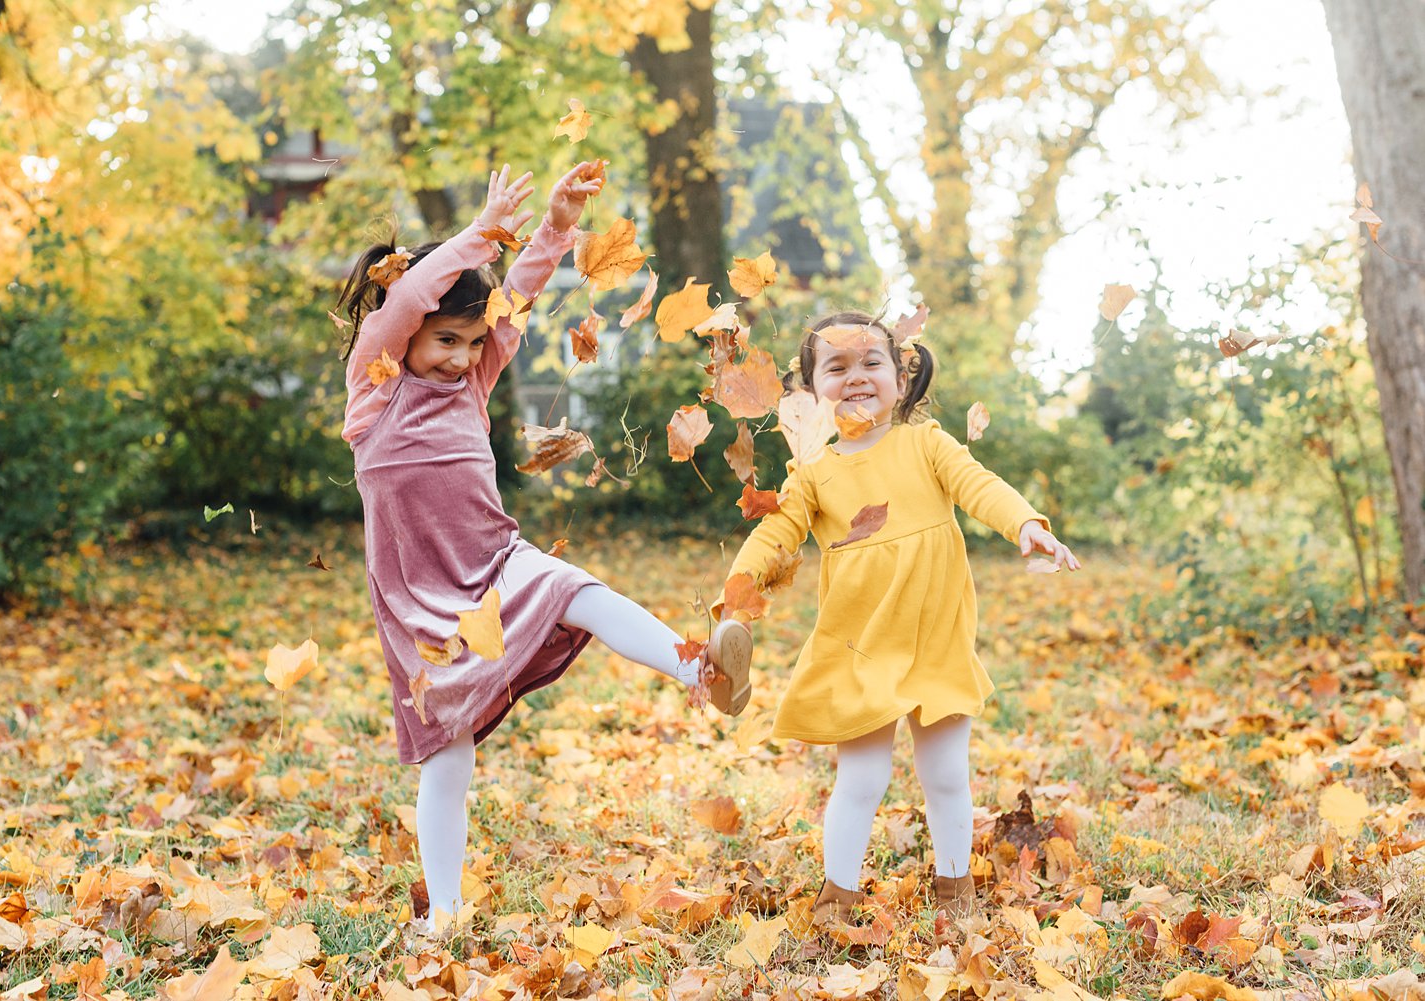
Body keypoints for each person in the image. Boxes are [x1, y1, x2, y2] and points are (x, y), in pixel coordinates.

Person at [335, 162, 752, 931]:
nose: (461, 356)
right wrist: (480, 233)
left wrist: (557, 227)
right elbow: (404, 304)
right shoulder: (378, 381)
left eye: (470, 342)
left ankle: (701, 667)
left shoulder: (471, 383)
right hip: (423, 601)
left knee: (577, 590)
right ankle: (446, 912)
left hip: (496, 562)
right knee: (446, 755)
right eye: (445, 339)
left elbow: (516, 299)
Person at [717, 311, 1079, 925]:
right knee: (861, 777)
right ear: (808, 394)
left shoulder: (927, 442)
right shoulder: (814, 472)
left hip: (936, 636)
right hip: (862, 643)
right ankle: (838, 895)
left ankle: (955, 886)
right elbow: (777, 533)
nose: (855, 377)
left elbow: (977, 483)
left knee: (944, 774)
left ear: (901, 376)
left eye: (870, 362)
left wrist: (1025, 523)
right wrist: (737, 596)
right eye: (836, 367)